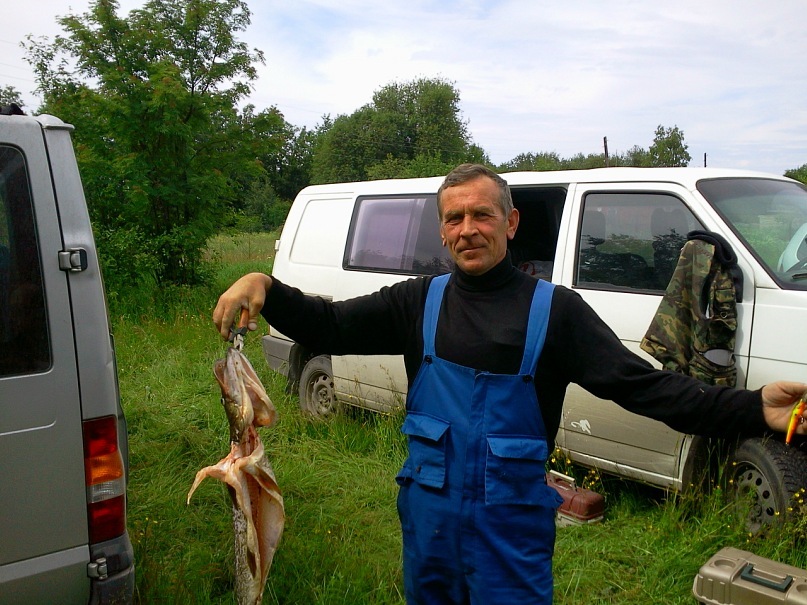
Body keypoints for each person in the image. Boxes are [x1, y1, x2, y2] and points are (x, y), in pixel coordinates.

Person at [213, 163, 807, 605]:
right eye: (455, 218)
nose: (468, 229)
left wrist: (756, 408)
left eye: (482, 215)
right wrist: (264, 285)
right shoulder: (416, 303)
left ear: (511, 222)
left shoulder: (557, 313)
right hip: (429, 530)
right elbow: (329, 325)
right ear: (442, 231)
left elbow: (645, 389)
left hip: (511, 538)